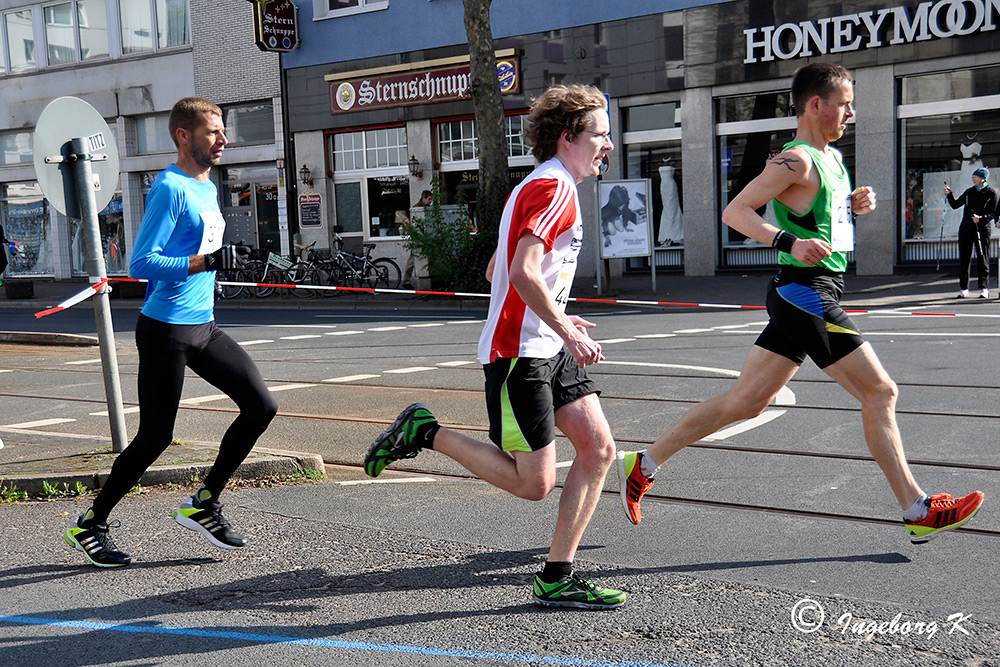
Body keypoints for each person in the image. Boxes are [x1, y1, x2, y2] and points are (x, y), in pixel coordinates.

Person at [616, 63, 984, 545]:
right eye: (844, 103)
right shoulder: (795, 159)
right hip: (803, 292)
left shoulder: (829, 158)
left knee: (746, 403)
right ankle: (916, 507)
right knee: (881, 392)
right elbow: (736, 212)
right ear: (816, 104)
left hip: (816, 289)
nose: (851, 112)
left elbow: (817, 215)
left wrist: (849, 207)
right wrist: (787, 241)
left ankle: (642, 464)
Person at [365, 84, 625, 609]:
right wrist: (566, 328)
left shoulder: (545, 185)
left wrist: (554, 311)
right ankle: (426, 431)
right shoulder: (553, 189)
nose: (610, 145)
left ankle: (556, 575)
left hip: (544, 343)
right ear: (569, 137)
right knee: (534, 485)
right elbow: (522, 271)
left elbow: (498, 271)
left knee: (598, 449)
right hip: (519, 355)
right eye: (601, 135)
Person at [64, 97, 277, 567]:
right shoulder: (170, 188)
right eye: (213, 132)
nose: (223, 139)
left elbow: (200, 247)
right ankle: (90, 524)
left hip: (203, 325)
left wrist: (223, 259)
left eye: (223, 131)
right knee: (156, 436)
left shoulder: (208, 186)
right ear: (184, 136)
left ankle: (204, 503)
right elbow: (141, 264)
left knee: (262, 405)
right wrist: (205, 261)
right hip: (166, 330)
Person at [945, 167, 998, 298]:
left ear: (983, 179)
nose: (973, 179)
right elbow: (956, 204)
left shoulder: (992, 193)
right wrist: (949, 195)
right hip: (966, 228)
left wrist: (981, 218)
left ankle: (984, 288)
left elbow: (994, 213)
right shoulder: (969, 192)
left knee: (983, 257)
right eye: (973, 177)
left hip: (982, 229)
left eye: (976, 177)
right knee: (964, 258)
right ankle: (964, 288)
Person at [402, 190, 432, 288]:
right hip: (418, 238)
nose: (430, 201)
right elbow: (410, 224)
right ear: (423, 198)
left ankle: (406, 280)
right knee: (412, 260)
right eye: (429, 199)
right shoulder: (416, 208)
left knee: (413, 260)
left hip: (423, 237)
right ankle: (406, 281)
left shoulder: (426, 208)